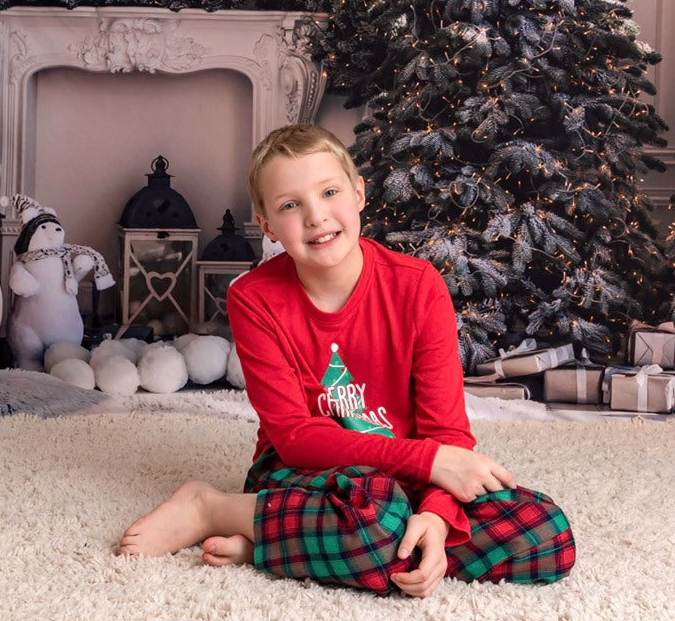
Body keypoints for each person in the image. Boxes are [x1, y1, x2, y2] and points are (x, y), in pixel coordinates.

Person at [115, 123, 575, 598]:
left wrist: (437, 516)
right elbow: (295, 438)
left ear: (358, 194)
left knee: (545, 535)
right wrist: (431, 462)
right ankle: (212, 508)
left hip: (413, 474)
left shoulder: (418, 286)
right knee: (378, 515)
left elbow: (447, 435)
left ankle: (272, 543)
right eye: (290, 205)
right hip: (309, 472)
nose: (316, 217)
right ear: (268, 225)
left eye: (329, 192)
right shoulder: (253, 298)